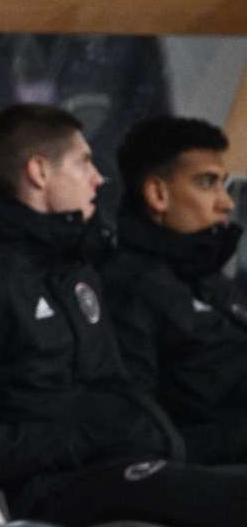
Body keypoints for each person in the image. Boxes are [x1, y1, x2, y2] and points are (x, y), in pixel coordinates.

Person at [0, 104, 247, 527]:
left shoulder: (76, 271)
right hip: (54, 491)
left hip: (126, 464)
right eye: (84, 162)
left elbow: (119, 390)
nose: (99, 178)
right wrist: (89, 435)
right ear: (39, 171)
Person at [101, 116, 247, 463]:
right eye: (207, 183)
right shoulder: (127, 290)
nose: (225, 202)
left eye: (223, 184)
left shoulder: (204, 276)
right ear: (157, 194)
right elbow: (141, 433)